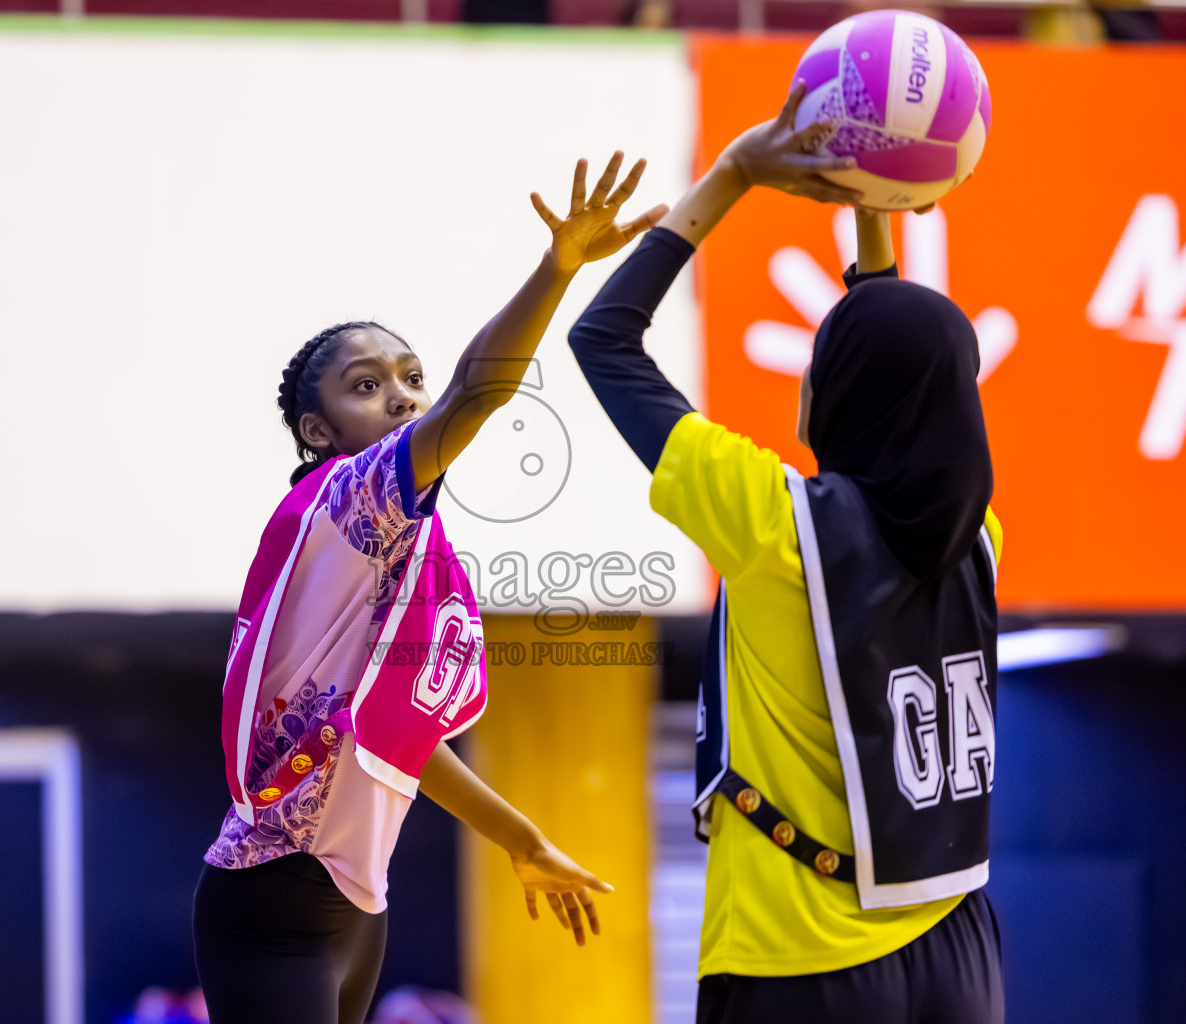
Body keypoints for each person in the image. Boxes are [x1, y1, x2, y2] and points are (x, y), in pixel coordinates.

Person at [193, 152, 668, 1024]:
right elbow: (474, 399)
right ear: (318, 428)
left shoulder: (398, 543)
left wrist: (522, 840)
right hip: (271, 903)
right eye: (367, 386)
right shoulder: (349, 501)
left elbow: (395, 737)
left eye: (411, 377)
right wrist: (556, 269)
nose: (404, 398)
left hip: (356, 911)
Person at [566, 84, 1005, 1023]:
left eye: (822, 361)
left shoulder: (772, 524)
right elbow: (907, 360)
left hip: (803, 955)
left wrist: (733, 173)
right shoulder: (980, 539)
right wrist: (871, 205)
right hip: (960, 946)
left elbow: (603, 342)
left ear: (844, 395)